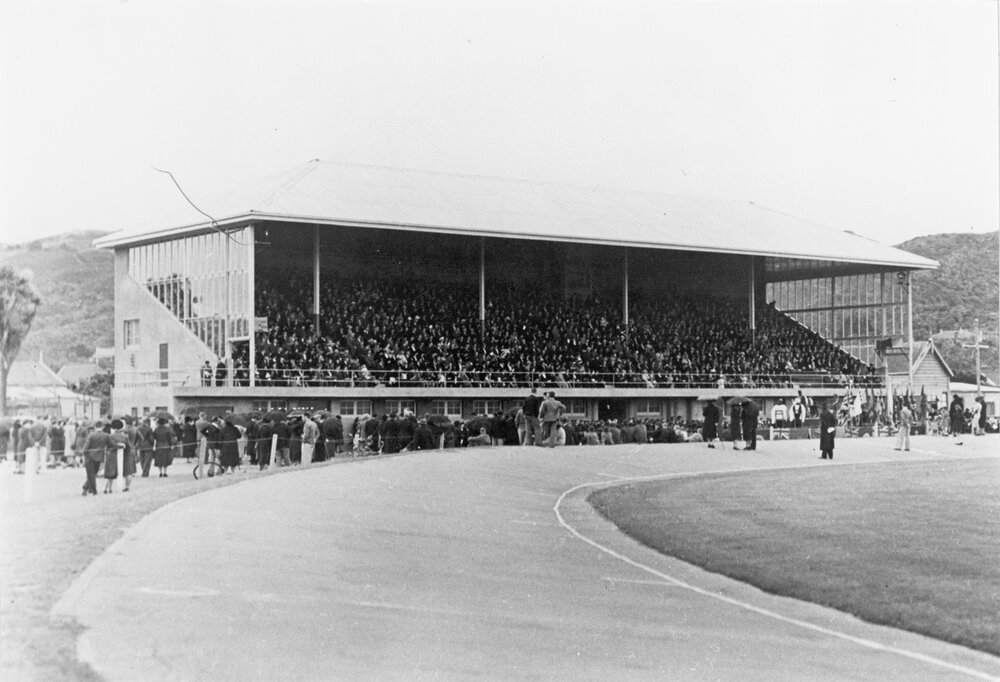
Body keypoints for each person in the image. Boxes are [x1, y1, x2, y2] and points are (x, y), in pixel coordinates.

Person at [80, 421, 113, 496]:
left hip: (89, 457)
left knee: (91, 474)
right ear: (102, 427)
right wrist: (120, 446)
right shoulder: (106, 435)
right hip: (98, 458)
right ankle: (92, 490)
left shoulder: (91, 435)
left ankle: (86, 487)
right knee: (93, 473)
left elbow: (86, 447)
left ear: (95, 427)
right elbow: (112, 444)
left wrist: (82, 454)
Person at [109, 419, 135, 492]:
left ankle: (110, 488)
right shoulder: (125, 436)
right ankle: (127, 486)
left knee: (111, 471)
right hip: (126, 454)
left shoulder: (111, 436)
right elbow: (129, 446)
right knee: (128, 471)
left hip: (114, 455)